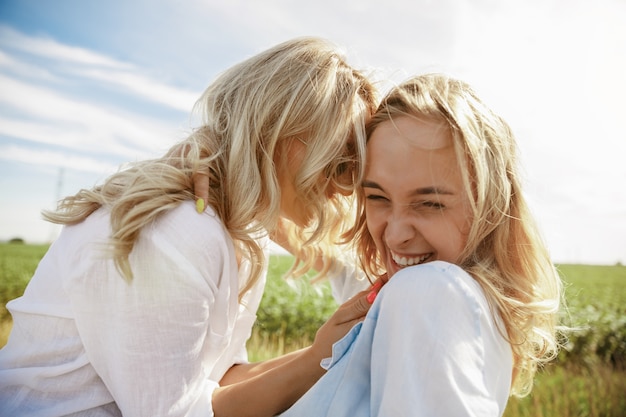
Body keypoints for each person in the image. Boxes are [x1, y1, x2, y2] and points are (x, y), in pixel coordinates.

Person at [0, 37, 379, 417]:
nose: (346, 185)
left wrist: (328, 352)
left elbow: (221, 379)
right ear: (277, 130)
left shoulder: (245, 234)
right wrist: (318, 358)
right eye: (341, 157)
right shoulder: (175, 231)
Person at [278, 73, 563, 416]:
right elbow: (308, 244)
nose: (395, 235)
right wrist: (220, 168)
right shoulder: (404, 295)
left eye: (430, 203)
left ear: (490, 206)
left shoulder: (428, 291)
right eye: (377, 197)